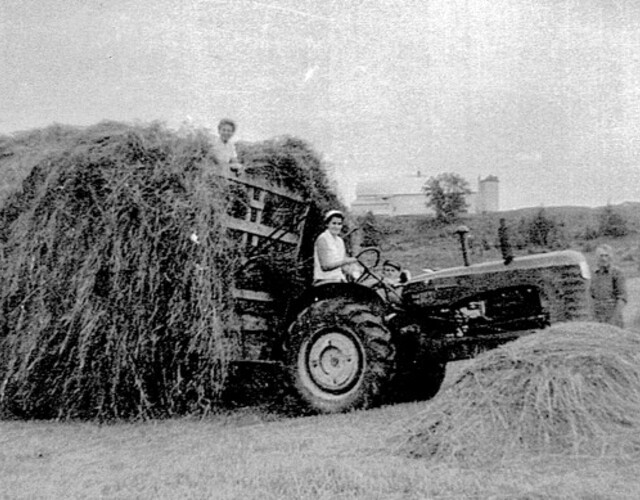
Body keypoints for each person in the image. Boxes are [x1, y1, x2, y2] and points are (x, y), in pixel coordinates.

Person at [313, 210, 358, 285]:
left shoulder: (340, 241)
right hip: (324, 281)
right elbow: (325, 267)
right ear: (327, 224)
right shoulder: (322, 239)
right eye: (334, 223)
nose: (336, 227)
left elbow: (342, 265)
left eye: (339, 224)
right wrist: (345, 261)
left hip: (338, 279)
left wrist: (352, 269)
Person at [590, 244, 627, 327]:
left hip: (612, 314)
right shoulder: (593, 274)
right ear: (597, 257)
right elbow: (590, 296)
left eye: (606, 255)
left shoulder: (617, 273)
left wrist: (613, 319)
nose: (604, 258)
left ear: (611, 257)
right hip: (596, 316)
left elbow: (622, 298)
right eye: (601, 256)